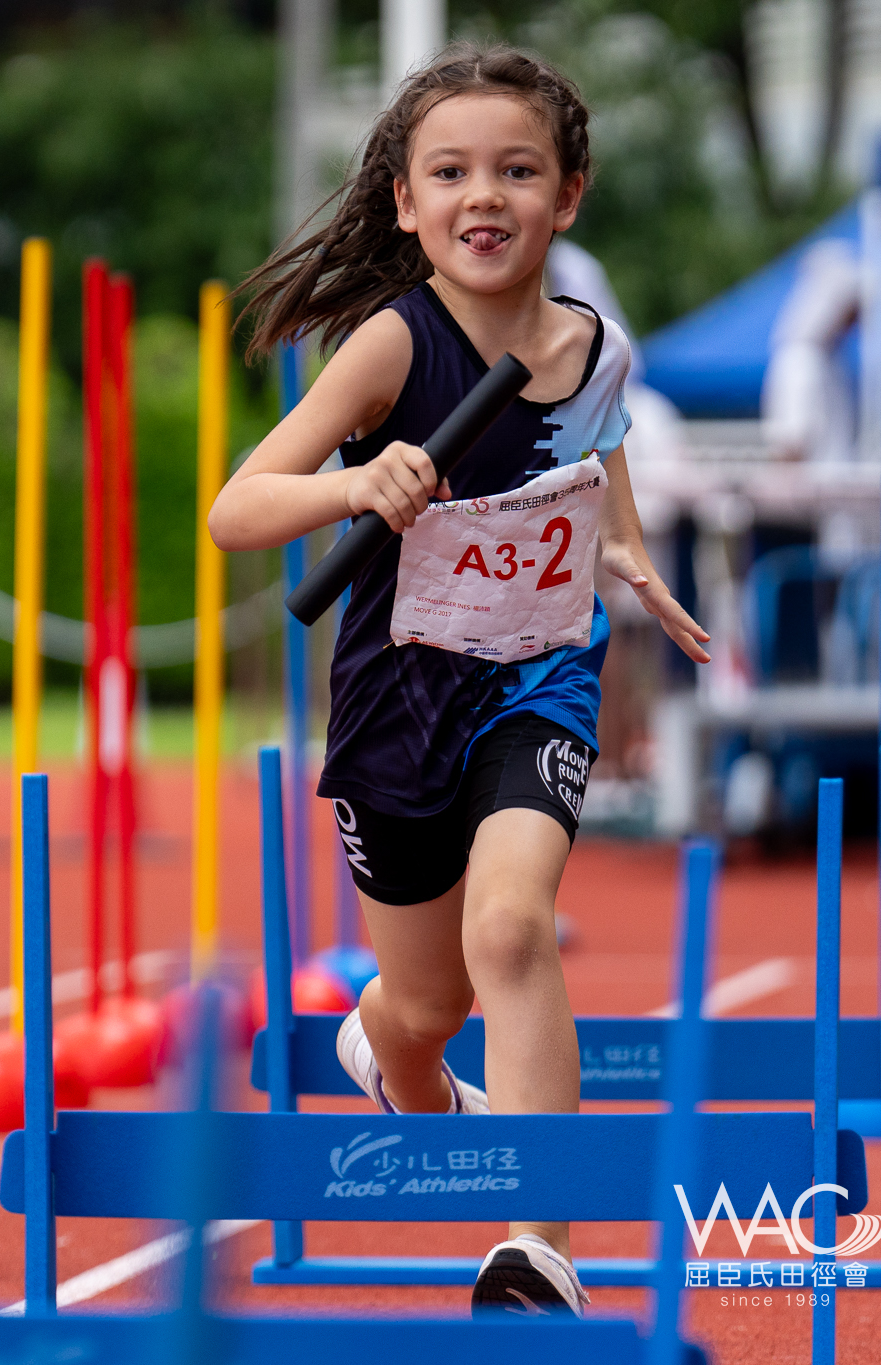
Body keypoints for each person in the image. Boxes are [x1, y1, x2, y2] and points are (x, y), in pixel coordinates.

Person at [211, 44, 709, 1316]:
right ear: (403, 202)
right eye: (451, 172)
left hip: (533, 678)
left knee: (510, 928)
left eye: (515, 170)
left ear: (568, 194)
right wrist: (353, 483)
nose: (482, 195)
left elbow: (599, 456)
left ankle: (535, 1245)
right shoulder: (390, 345)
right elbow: (236, 509)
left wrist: (627, 556)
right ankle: (399, 1059)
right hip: (394, 695)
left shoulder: (593, 344)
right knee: (425, 1003)